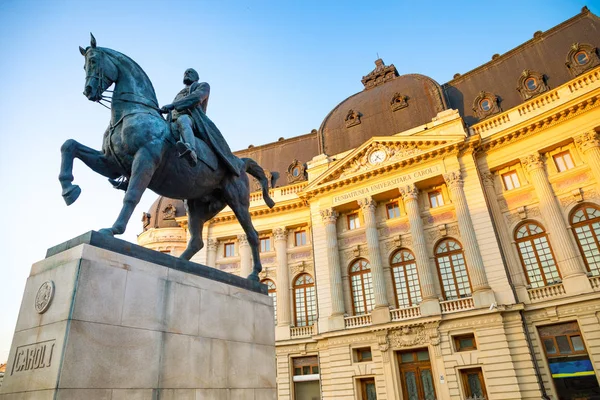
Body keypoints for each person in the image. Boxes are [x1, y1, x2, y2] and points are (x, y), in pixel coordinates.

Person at [160, 68, 240, 176]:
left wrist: (173, 105)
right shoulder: (179, 93)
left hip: (192, 119)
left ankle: (191, 150)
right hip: (172, 122)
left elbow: (196, 98)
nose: (187, 73)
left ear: (197, 78)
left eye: (190, 72)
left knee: (183, 120)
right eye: (185, 72)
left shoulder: (202, 86)